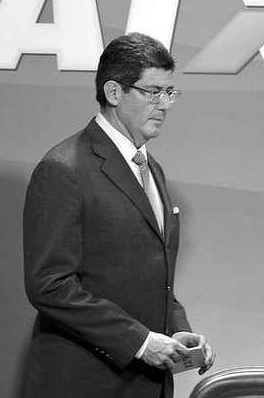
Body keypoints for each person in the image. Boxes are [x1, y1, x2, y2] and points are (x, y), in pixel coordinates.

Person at [22, 32, 215, 397]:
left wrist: (175, 331)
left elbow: (148, 273)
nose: (165, 105)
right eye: (152, 92)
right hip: (87, 383)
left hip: (148, 385)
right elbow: (50, 285)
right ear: (114, 93)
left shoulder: (150, 168)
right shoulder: (63, 169)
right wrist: (141, 342)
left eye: (169, 93)